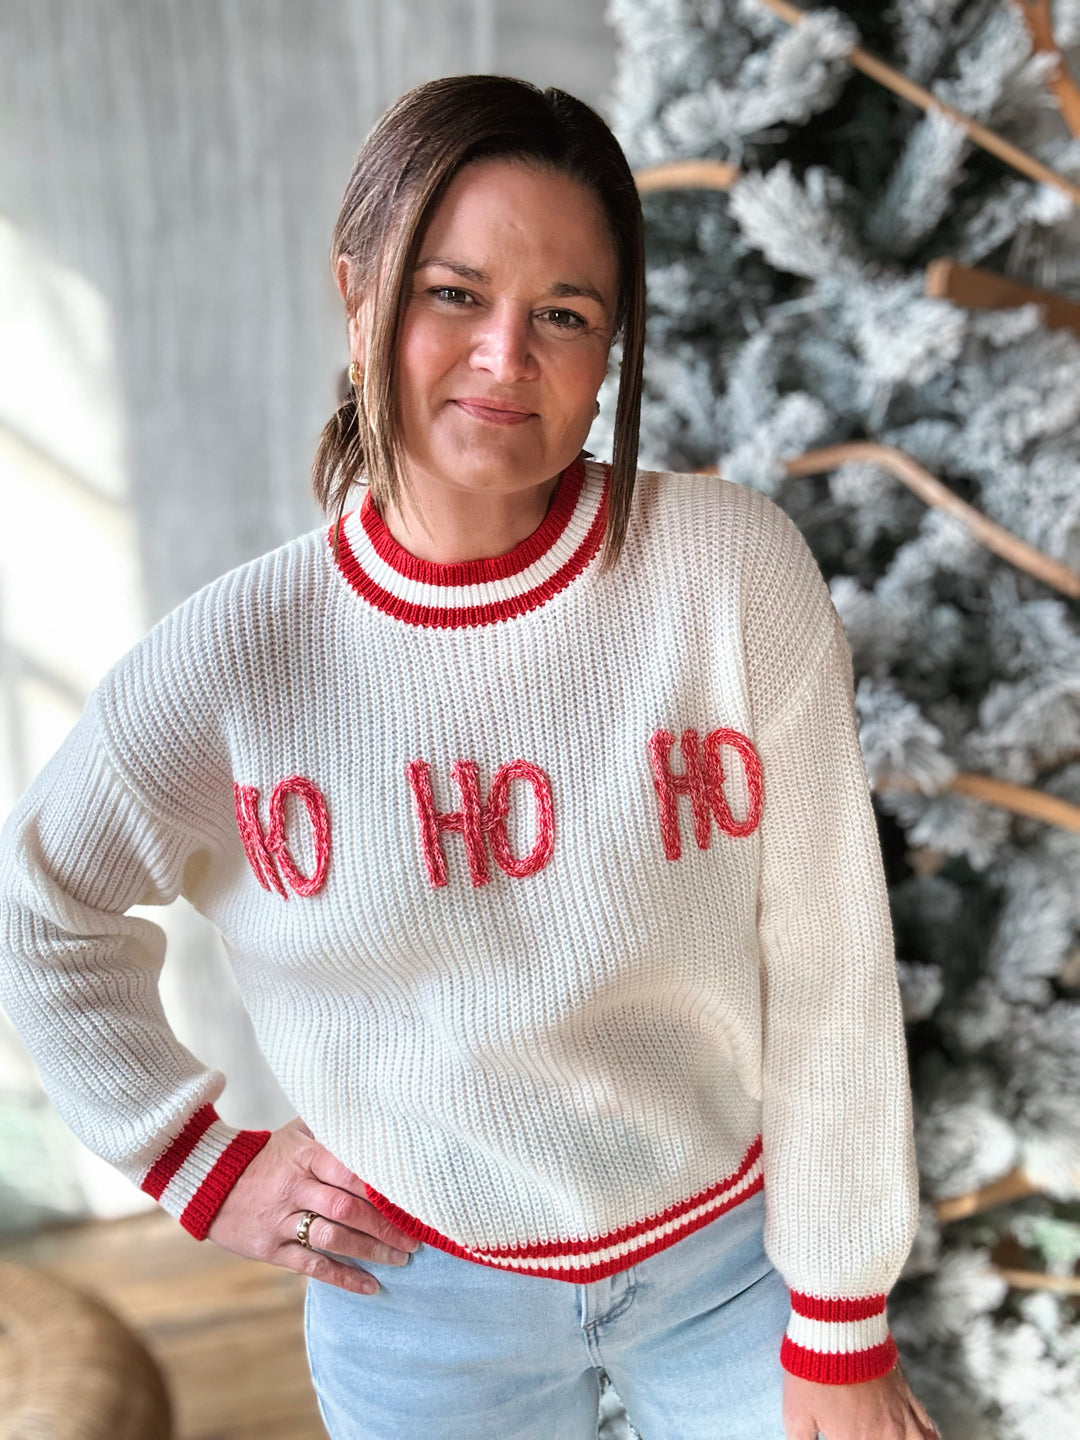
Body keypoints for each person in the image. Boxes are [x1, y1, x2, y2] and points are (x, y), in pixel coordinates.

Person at [0, 73, 940, 1440]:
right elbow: (44, 904)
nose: (507, 357)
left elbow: (831, 959)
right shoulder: (239, 657)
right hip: (419, 1296)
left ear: (610, 347)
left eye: (565, 316)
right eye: (454, 294)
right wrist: (197, 1160)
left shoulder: (728, 571)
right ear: (360, 293)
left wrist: (843, 1322)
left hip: (734, 1265)